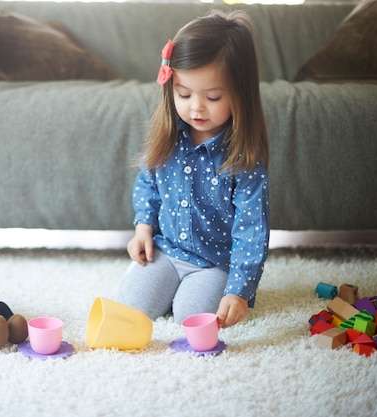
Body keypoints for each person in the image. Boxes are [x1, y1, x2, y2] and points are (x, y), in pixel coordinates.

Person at [116, 10, 270, 329]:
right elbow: (148, 183)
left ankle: (190, 292)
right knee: (129, 307)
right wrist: (143, 229)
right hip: (167, 252)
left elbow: (251, 231)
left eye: (212, 97)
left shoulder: (243, 159)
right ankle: (170, 287)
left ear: (240, 95)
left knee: (192, 317)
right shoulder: (168, 138)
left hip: (214, 264)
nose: (196, 107)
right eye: (183, 94)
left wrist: (238, 292)